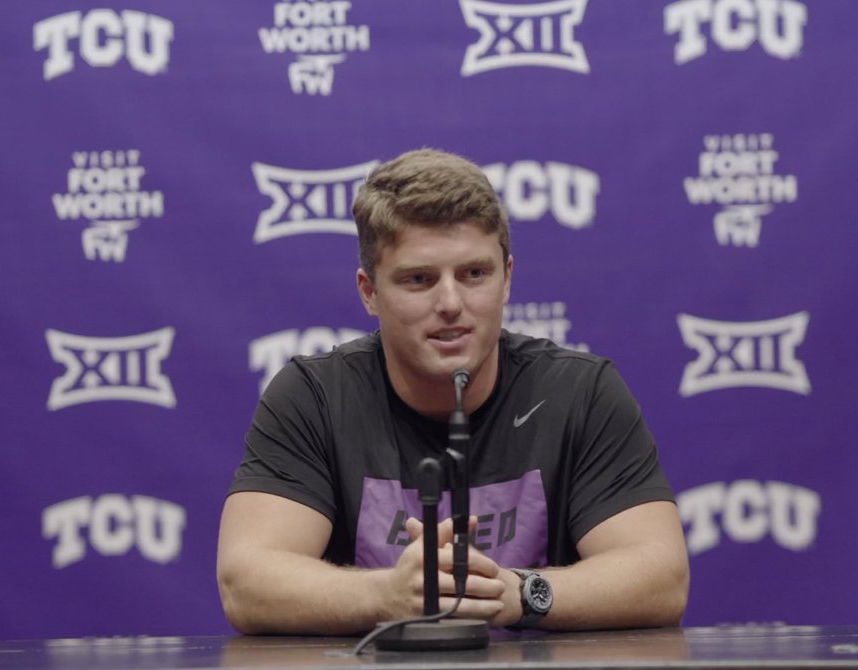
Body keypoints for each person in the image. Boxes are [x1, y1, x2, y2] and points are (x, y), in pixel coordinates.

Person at [217, 148, 688, 635]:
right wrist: (387, 594)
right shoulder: (312, 396)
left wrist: (518, 592)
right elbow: (246, 582)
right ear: (369, 292)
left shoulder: (580, 392)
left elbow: (661, 577)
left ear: (507, 279)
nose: (450, 303)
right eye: (418, 279)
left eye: (474, 274)